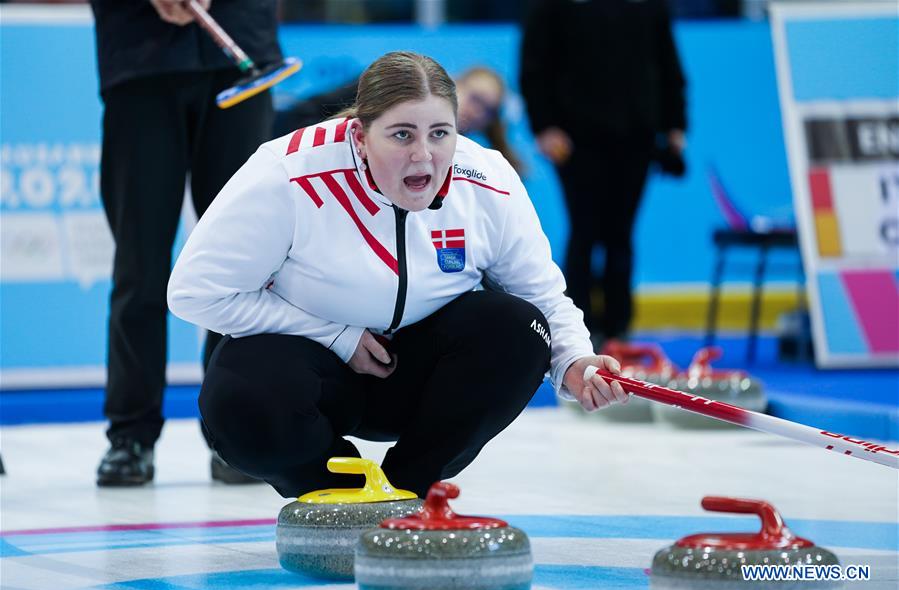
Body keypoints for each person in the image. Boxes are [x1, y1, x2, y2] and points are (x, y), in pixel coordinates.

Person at [167, 51, 627, 499]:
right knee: (237, 399)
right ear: (361, 135)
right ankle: (339, 495)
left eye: (440, 133)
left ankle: (407, 492)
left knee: (520, 328)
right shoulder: (286, 172)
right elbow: (194, 291)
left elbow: (542, 294)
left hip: (418, 376)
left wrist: (574, 362)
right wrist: (336, 337)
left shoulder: (487, 178)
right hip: (313, 373)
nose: (423, 156)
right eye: (402, 135)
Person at [91, 0, 282, 486]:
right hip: (140, 59)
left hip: (240, 52)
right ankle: (130, 436)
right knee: (139, 259)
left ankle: (233, 434)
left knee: (243, 264)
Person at [520, 0, 687, 344]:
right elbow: (534, 66)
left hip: (636, 136)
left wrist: (675, 124)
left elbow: (668, 63)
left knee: (621, 234)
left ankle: (619, 328)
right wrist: (544, 126)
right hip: (576, 140)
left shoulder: (648, 6)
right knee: (584, 232)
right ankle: (577, 329)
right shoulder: (552, 8)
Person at [274, 65, 522, 172]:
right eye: (476, 99)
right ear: (457, 83)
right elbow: (310, 110)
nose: (477, 112)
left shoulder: (470, 161)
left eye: (488, 110)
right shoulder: (400, 87)